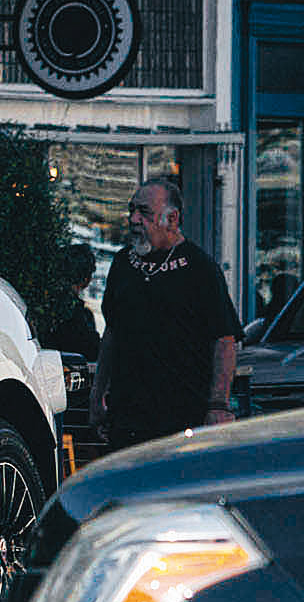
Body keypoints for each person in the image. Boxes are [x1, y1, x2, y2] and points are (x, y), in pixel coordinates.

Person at [96, 176, 242, 450]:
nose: (134, 219)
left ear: (172, 219)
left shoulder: (200, 269)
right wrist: (97, 394)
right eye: (132, 210)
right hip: (127, 414)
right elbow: (112, 333)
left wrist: (218, 404)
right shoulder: (122, 264)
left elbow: (224, 339)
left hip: (182, 413)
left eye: (144, 212)